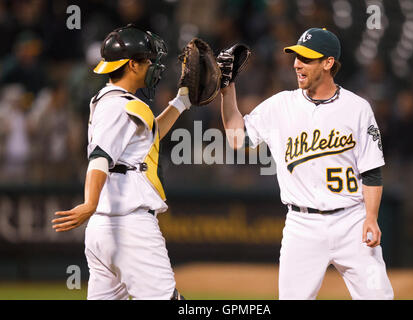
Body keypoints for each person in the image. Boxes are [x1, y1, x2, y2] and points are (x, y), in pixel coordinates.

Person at [218, 28, 394, 300]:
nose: (297, 64)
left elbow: (371, 171)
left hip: (352, 221)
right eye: (296, 57)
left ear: (328, 63)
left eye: (306, 58)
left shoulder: (357, 108)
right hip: (302, 226)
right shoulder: (280, 106)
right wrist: (226, 89)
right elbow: (236, 138)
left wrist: (371, 217)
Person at [51, 24, 192, 300]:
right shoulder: (119, 105)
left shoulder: (114, 101)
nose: (153, 65)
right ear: (132, 65)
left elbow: (151, 136)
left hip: (105, 229)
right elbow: (100, 158)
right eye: (148, 60)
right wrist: (89, 203)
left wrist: (181, 102)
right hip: (128, 227)